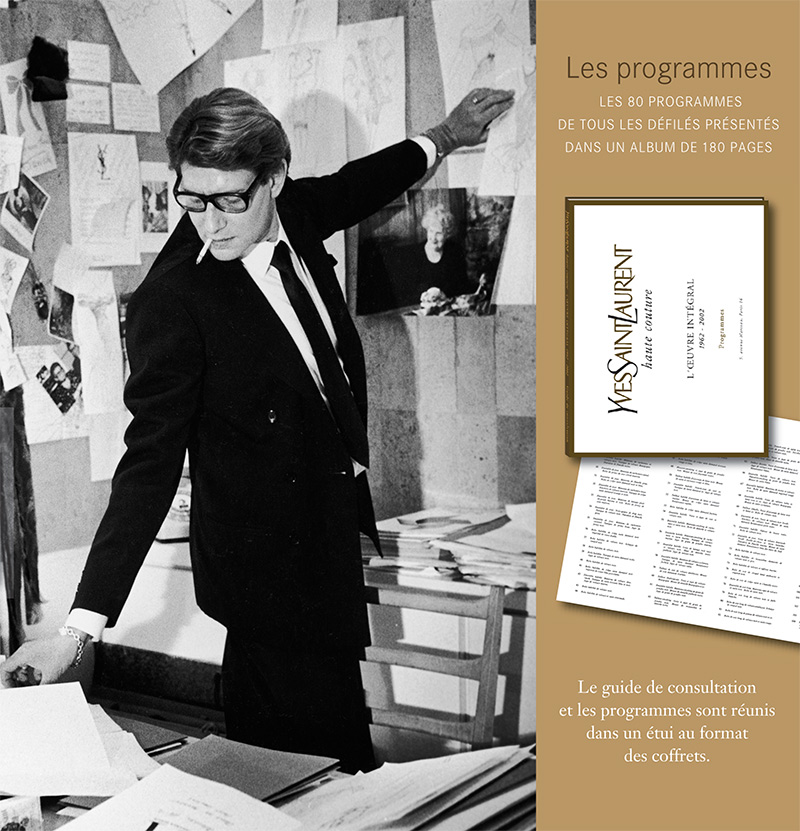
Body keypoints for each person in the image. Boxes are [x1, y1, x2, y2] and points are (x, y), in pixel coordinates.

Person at [0, 85, 513, 772]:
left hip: (327, 540)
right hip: (263, 579)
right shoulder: (173, 301)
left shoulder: (293, 211)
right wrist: (78, 631)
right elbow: (148, 464)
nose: (209, 225)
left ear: (274, 179)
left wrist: (445, 135)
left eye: (229, 201)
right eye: (192, 200)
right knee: (302, 776)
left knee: (334, 766)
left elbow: (358, 184)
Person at [412, 202, 471, 300]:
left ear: (447, 234)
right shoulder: (415, 253)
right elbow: (410, 291)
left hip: (448, 304)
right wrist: (422, 296)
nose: (433, 238)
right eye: (431, 231)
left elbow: (462, 286)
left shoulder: (455, 251)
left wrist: (444, 294)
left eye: (438, 233)